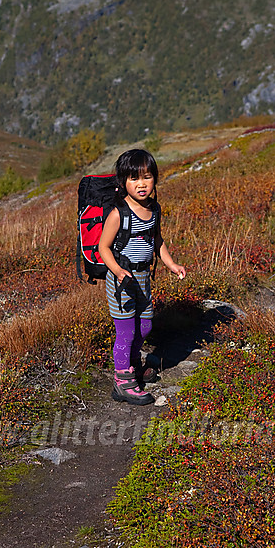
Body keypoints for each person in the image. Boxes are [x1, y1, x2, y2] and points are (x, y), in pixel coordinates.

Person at [99, 148, 186, 405]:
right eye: (134, 178)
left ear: (155, 179)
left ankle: (133, 364)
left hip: (144, 277)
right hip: (121, 282)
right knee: (125, 331)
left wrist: (171, 264)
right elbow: (103, 247)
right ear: (123, 182)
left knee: (145, 325)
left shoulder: (154, 209)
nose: (141, 184)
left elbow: (156, 240)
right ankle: (123, 381)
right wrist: (117, 271)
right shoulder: (119, 214)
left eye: (147, 177)